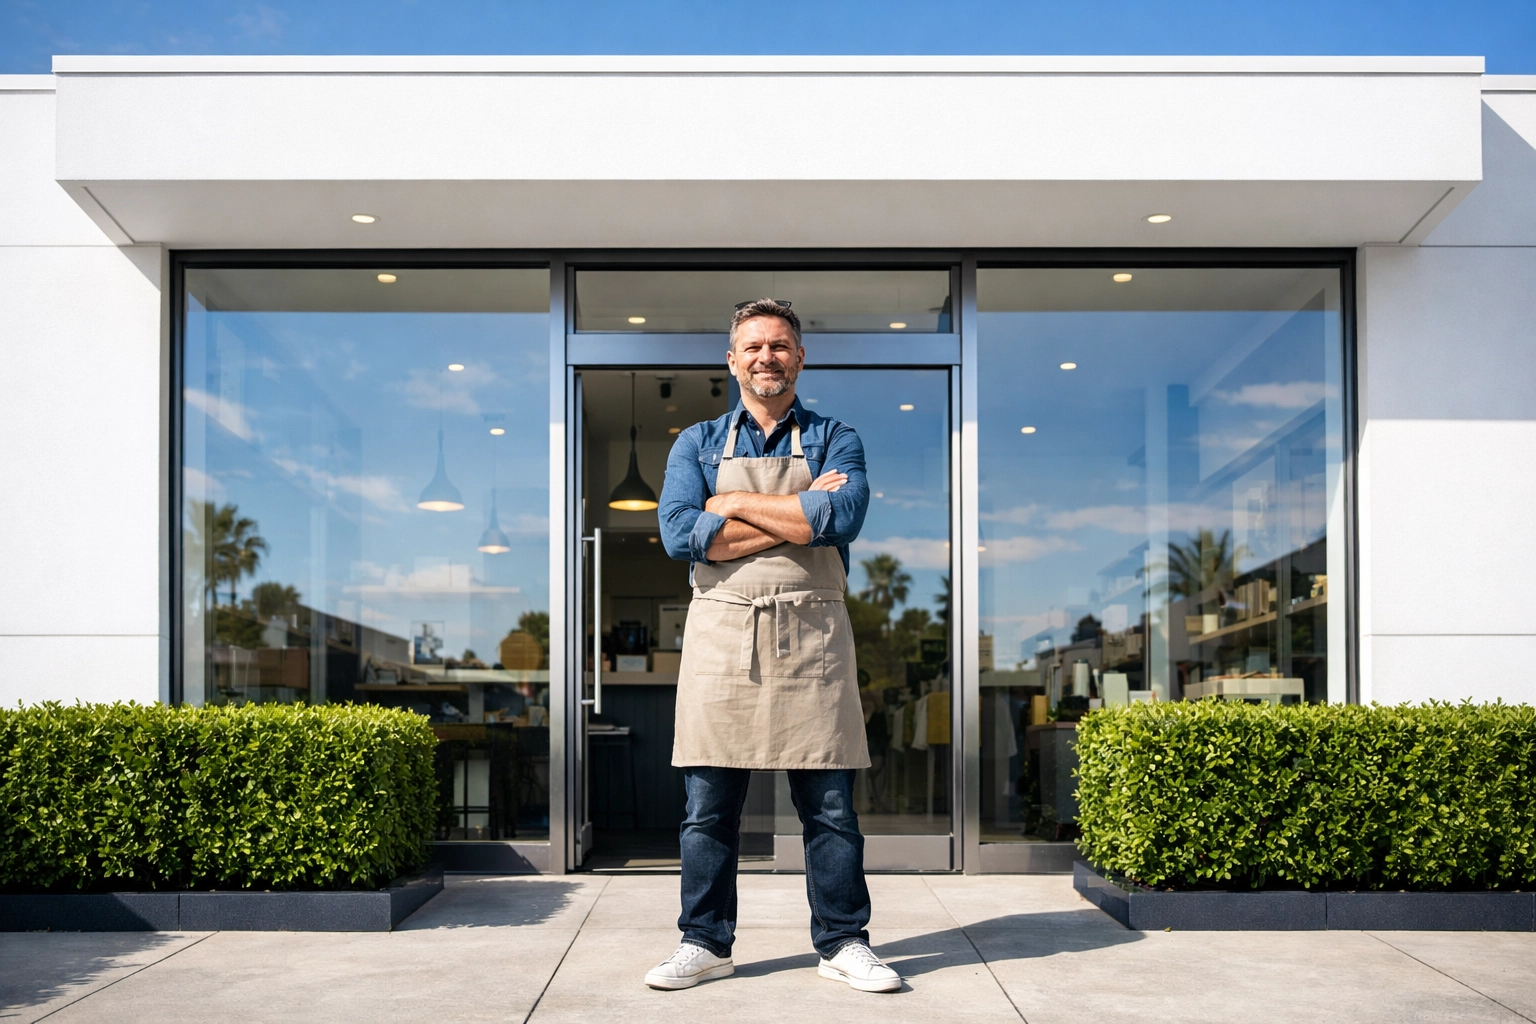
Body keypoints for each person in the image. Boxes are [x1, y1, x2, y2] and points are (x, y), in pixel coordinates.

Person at [645, 298, 901, 994]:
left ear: (800, 357)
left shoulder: (834, 437)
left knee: (829, 808)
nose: (767, 357)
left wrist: (726, 507)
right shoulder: (694, 442)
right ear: (732, 360)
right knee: (708, 810)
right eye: (754, 346)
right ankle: (705, 944)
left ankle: (844, 941)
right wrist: (796, 517)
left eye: (780, 346)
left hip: (811, 640)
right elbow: (677, 534)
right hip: (721, 639)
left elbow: (840, 515)